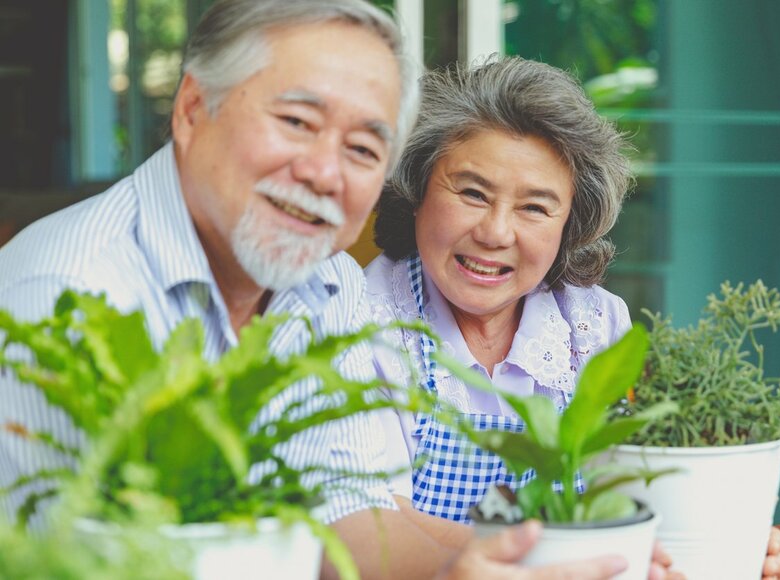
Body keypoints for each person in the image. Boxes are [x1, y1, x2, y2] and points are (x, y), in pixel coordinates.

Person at [0, 1, 641, 578]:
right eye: (297, 121)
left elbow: (345, 517)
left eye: (363, 148)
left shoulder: (323, 281)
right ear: (194, 109)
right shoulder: (64, 293)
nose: (323, 172)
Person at [366, 57, 780, 579]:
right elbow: (370, 522)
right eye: (472, 193)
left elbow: (634, 493)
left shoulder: (594, 323)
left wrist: (714, 533)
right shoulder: (362, 319)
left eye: (535, 208)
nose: (496, 233)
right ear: (417, 194)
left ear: (570, 227)